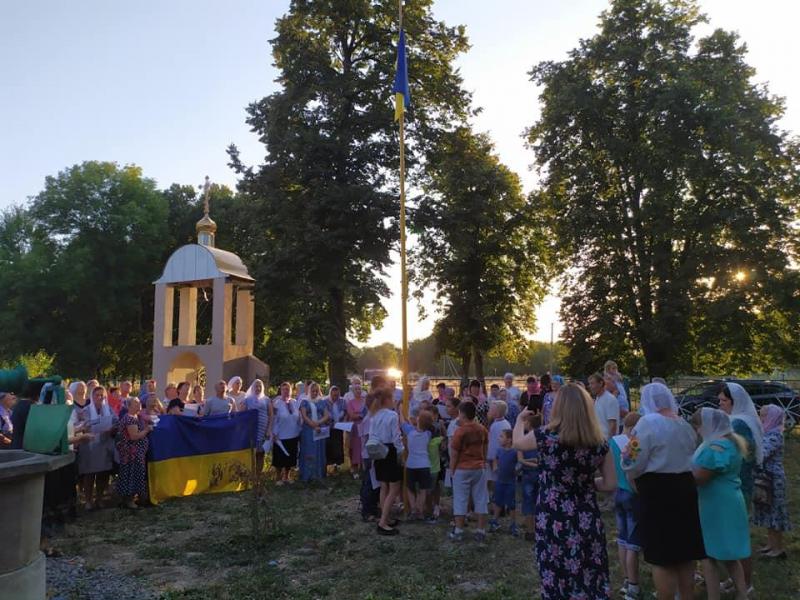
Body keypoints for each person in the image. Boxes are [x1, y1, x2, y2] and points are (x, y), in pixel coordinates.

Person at [512, 383, 616, 600]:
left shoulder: (546, 436)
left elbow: (518, 443)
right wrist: (584, 483)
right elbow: (610, 484)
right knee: (588, 574)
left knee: (555, 573)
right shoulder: (599, 443)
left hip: (553, 519)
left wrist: (520, 420)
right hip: (586, 518)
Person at [621, 383, 705, 600]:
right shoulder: (683, 424)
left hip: (658, 491)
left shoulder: (647, 423)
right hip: (685, 488)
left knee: (662, 556)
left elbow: (633, 459)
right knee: (686, 553)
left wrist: (626, 459)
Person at [691, 408, 750, 600]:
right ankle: (742, 593)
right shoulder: (732, 442)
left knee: (709, 554)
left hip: (715, 503)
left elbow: (701, 476)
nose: (698, 431)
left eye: (699, 426)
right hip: (730, 499)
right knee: (730, 552)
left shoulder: (715, 447)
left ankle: (713, 596)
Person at [718, 382, 763, 593]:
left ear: (735, 402)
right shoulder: (739, 421)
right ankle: (734, 579)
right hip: (737, 484)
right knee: (731, 535)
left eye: (724, 401)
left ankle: (746, 583)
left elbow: (740, 456)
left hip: (737, 486)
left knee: (738, 536)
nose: (720, 404)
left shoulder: (739, 424)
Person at [610, 412, 643, 600]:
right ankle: (633, 584)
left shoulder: (612, 442)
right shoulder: (634, 444)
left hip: (617, 492)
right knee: (633, 543)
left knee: (622, 538)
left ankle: (625, 578)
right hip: (631, 492)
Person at [752, 404, 791, 559]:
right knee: (768, 511)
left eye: (762, 416)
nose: (760, 419)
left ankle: (778, 548)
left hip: (774, 479)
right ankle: (770, 545)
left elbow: (763, 453)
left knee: (775, 512)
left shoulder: (774, 435)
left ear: (770, 418)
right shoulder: (768, 433)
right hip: (766, 478)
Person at [448, 401, 489, 542]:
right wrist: (483, 462)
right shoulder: (482, 429)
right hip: (479, 467)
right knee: (481, 498)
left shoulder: (460, 431)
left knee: (460, 498)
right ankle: (481, 530)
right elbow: (485, 448)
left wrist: (452, 471)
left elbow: (454, 454)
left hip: (462, 468)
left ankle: (459, 531)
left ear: (461, 414)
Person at [369, 387, 404, 535]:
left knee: (384, 486)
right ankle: (383, 522)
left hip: (378, 451)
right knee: (394, 488)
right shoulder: (392, 415)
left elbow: (372, 435)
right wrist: (401, 452)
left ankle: (385, 517)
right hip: (389, 451)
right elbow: (396, 437)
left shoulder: (374, 415)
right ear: (388, 400)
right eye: (393, 398)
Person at [76, 385, 118, 510]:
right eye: (97, 395)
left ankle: (99, 498)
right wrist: (94, 426)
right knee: (90, 474)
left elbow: (116, 420)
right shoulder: (86, 410)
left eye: (102, 395)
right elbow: (84, 425)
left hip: (105, 444)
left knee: (103, 473)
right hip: (90, 445)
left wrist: (112, 428)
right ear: (92, 396)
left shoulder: (108, 409)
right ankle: (88, 500)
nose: (100, 397)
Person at [116, 397, 153, 509]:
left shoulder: (137, 417)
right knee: (131, 476)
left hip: (137, 454)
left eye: (139, 402)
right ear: (129, 406)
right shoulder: (129, 419)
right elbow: (134, 436)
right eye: (135, 403)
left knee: (136, 475)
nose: (139, 404)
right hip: (131, 454)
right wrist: (147, 430)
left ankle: (133, 499)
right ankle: (129, 500)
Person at [399, 407, 433, 520]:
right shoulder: (428, 434)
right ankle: (420, 510)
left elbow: (402, 422)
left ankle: (413, 509)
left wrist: (399, 409)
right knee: (423, 489)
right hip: (425, 465)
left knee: (410, 488)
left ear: (418, 420)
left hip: (411, 464)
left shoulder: (410, 431)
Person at [489, 429, 519, 537]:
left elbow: (519, 462)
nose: (499, 438)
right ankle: (495, 521)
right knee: (498, 502)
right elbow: (495, 459)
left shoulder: (515, 451)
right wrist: (495, 467)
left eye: (502, 436)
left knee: (511, 504)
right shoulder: (499, 450)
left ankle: (513, 524)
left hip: (510, 482)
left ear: (509, 440)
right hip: (500, 481)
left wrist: (517, 470)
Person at [298, 382, 329, 482]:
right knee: (309, 450)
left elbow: (326, 415)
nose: (315, 393)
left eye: (316, 391)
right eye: (313, 391)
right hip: (308, 430)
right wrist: (313, 425)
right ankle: (308, 475)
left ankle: (318, 474)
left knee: (319, 450)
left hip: (320, 429)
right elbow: (304, 416)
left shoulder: (322, 401)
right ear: (309, 391)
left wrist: (318, 423)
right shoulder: (304, 402)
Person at [272, 382, 301, 484]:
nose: (286, 391)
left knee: (290, 457)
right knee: (279, 457)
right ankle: (278, 478)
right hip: (280, 435)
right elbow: (274, 419)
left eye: (288, 389)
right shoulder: (276, 403)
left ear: (291, 391)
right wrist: (274, 433)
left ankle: (286, 477)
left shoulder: (294, 402)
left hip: (293, 434)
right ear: (281, 390)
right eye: (284, 389)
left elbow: (298, 417)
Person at [358, 393, 381, 521]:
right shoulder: (369, 419)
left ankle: (373, 507)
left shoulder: (374, 418)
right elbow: (368, 440)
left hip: (375, 454)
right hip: (369, 455)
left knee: (375, 483)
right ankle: (367, 511)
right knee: (369, 483)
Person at [517, 411, 539, 542]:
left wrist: (529, 462)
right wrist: (536, 462)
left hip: (528, 475)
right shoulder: (542, 438)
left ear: (529, 424)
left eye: (525, 421)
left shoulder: (523, 440)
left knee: (528, 502)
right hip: (539, 473)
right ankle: (537, 529)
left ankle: (530, 531)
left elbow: (520, 460)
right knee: (539, 501)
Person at [244, 379, 273, 476]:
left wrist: (269, 429)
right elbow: (242, 414)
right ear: (252, 387)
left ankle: (259, 475)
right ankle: (251, 476)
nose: (258, 388)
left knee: (261, 453)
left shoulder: (266, 399)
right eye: (256, 386)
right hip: (251, 430)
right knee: (252, 453)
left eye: (260, 386)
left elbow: (271, 415)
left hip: (263, 430)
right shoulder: (247, 400)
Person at [345, 377, 366, 479]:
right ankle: (354, 468)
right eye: (356, 390)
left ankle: (363, 468)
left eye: (359, 389)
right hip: (354, 428)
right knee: (355, 447)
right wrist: (361, 415)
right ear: (353, 391)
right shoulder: (350, 402)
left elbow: (368, 413)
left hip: (364, 427)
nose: (358, 391)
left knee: (363, 446)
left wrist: (359, 414)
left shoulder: (364, 401)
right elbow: (352, 415)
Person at [588, 372, 619, 439]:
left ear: (601, 383)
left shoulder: (610, 399)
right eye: (589, 384)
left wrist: (608, 444)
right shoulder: (597, 399)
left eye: (592, 383)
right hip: (599, 440)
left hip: (606, 443)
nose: (590, 386)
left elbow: (613, 425)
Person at [325, 385, 346, 470]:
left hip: (339, 427)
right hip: (329, 428)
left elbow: (345, 412)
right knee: (329, 446)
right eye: (334, 395)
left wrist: (343, 419)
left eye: (337, 395)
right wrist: (329, 421)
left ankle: (338, 464)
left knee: (338, 446)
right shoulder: (325, 401)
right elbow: (324, 414)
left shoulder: (342, 401)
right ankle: (329, 464)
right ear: (330, 394)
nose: (335, 397)